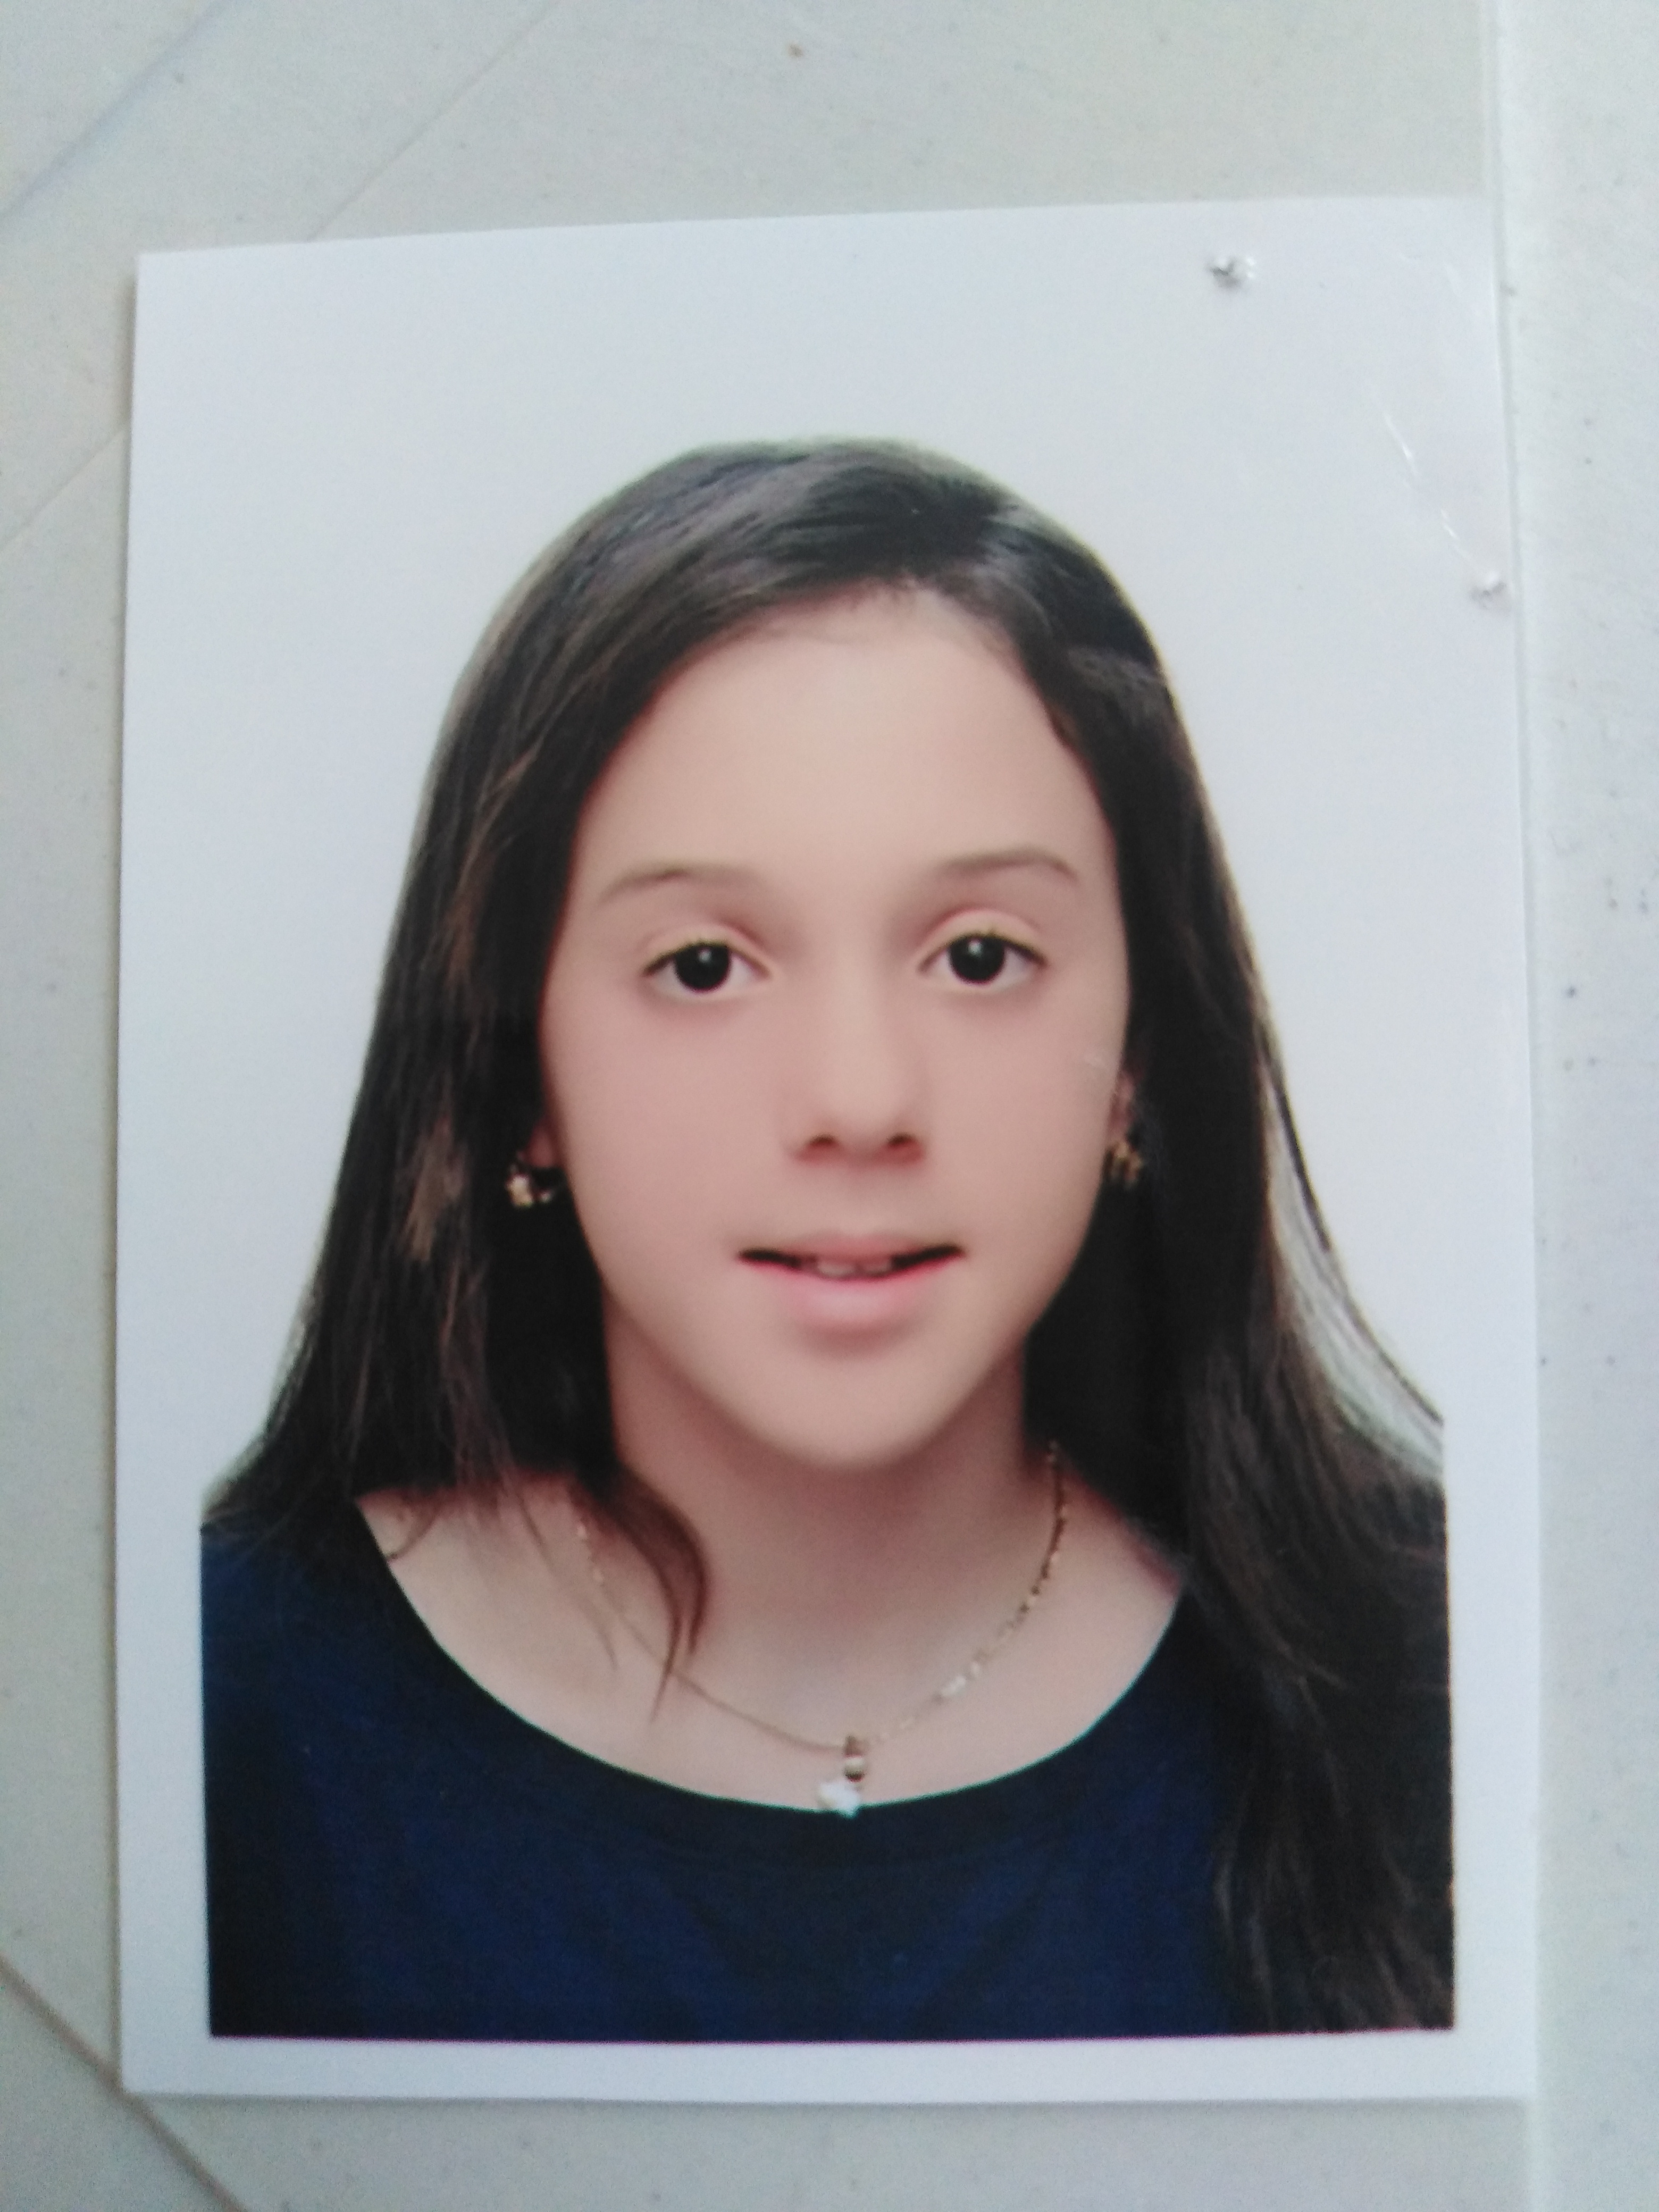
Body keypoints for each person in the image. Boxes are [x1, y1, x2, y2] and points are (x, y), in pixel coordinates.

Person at [202, 440, 1452, 2044]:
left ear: (1138, 1053)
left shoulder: (1442, 1681)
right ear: (517, 1069)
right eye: (705, 966)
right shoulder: (218, 1704)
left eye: (980, 956)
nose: (859, 1101)